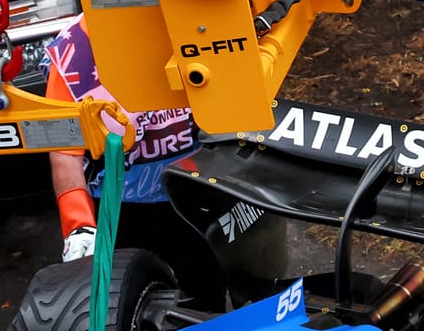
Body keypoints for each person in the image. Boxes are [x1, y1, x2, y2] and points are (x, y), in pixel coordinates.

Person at [43, 16, 288, 295]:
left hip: (200, 189)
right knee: (126, 298)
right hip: (122, 206)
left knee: (208, 290)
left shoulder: (200, 19)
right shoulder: (74, 52)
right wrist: (79, 225)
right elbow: (64, 151)